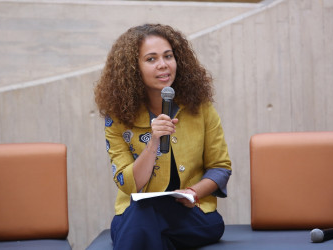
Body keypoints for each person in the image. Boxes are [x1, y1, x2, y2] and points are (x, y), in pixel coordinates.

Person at [94, 23, 232, 250]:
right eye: (151, 59)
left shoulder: (201, 109)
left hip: (193, 215)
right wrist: (153, 142)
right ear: (133, 69)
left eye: (168, 56)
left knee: (144, 224)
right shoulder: (117, 118)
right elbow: (127, 184)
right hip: (136, 214)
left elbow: (220, 168)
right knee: (145, 215)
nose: (163, 65)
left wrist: (193, 193)